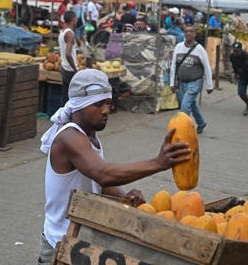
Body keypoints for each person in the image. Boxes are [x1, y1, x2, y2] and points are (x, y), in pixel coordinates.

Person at [36, 69, 191, 263]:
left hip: (78, 242)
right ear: (79, 105)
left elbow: (98, 181)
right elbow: (102, 174)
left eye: (108, 103)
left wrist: (123, 197)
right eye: (98, 104)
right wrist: (157, 163)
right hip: (59, 244)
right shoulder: (70, 138)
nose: (106, 110)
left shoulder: (89, 136)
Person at [169, 24, 214, 134]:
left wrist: (209, 85)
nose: (188, 33)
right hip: (181, 83)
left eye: (190, 31)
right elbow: (173, 66)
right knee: (192, 104)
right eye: (186, 31)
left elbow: (207, 67)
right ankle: (201, 122)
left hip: (195, 83)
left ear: (194, 34)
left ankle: (182, 129)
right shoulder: (179, 47)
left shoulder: (200, 49)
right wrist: (172, 83)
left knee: (185, 106)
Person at [58, 11, 79, 104]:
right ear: (73, 20)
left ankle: (63, 117)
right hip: (70, 70)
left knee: (65, 96)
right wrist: (75, 68)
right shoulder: (70, 33)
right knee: (73, 98)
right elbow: (68, 54)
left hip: (64, 67)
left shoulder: (62, 32)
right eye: (76, 18)